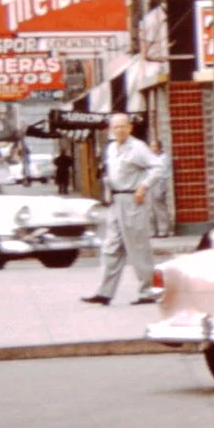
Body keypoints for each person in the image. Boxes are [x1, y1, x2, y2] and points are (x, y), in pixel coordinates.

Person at [84, 112, 162, 306]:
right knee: (111, 247)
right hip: (116, 199)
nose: (119, 130)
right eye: (115, 127)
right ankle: (104, 292)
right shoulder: (111, 148)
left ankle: (149, 291)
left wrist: (144, 186)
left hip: (133, 199)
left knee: (137, 247)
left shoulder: (138, 147)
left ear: (130, 127)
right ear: (110, 129)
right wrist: (108, 191)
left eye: (122, 126)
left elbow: (158, 167)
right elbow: (109, 173)